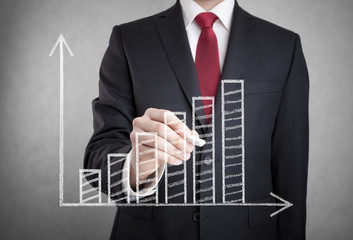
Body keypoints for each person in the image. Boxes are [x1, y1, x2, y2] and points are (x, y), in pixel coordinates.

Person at [84, 0, 309, 239]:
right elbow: (98, 155)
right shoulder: (129, 39)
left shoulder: (284, 46)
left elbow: (291, 171)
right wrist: (133, 166)